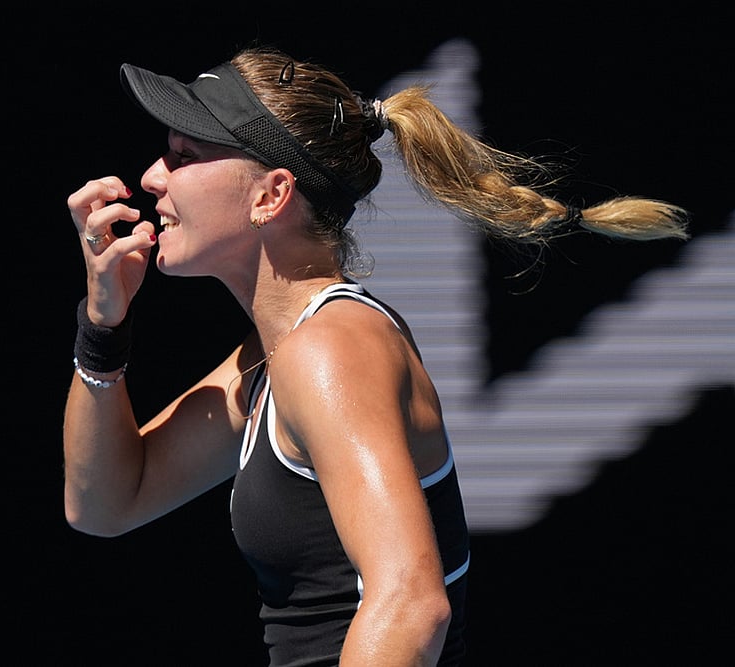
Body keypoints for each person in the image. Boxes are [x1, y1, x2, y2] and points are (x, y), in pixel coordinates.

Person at [62, 46, 688, 666]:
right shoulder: (274, 354)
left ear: (270, 196)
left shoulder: (329, 351)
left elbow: (412, 606)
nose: (152, 175)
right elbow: (107, 502)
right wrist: (102, 325)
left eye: (185, 156)